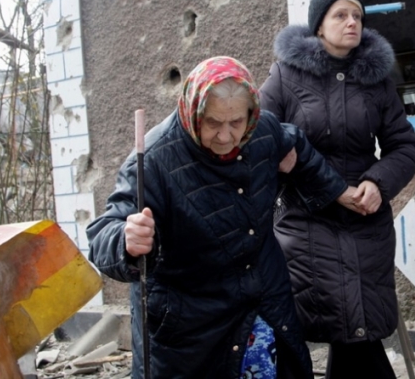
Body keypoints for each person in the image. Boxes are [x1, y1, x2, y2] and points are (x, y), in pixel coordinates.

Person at [87, 56, 371, 379]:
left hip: (263, 301)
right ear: (193, 110)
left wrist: (339, 192)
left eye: (236, 122)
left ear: (250, 113)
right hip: (189, 324)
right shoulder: (153, 161)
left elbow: (297, 147)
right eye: (212, 123)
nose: (225, 137)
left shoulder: (262, 130)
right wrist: (125, 241)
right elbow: (102, 234)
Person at [259, 0, 415, 379]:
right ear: (318, 27)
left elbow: (404, 147)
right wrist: (330, 189)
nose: (353, 23)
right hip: (306, 220)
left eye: (358, 17)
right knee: (338, 325)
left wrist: (378, 185)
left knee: (358, 328)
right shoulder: (284, 75)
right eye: (341, 15)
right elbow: (262, 139)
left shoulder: (377, 81)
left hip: (366, 220)